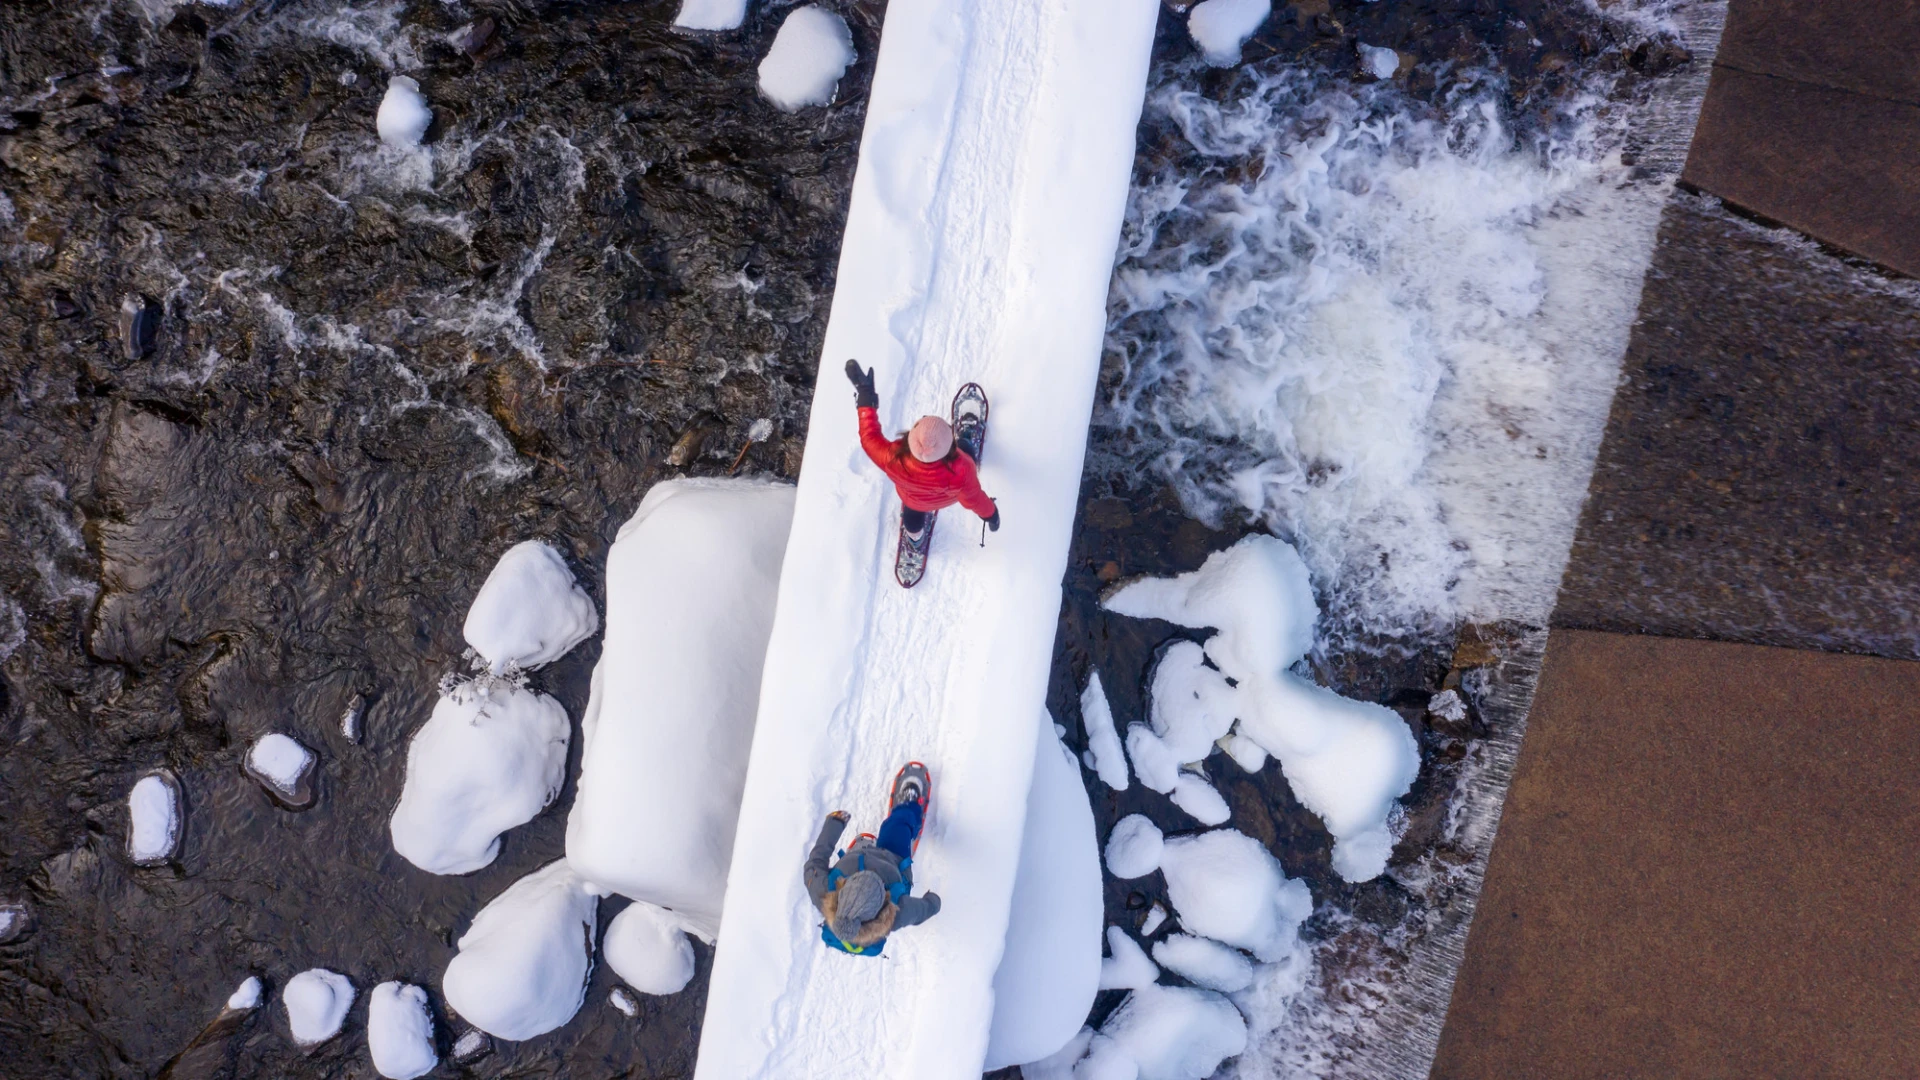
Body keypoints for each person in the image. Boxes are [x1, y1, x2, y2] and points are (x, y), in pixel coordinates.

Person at [844, 360, 1000, 537]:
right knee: (966, 448)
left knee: (913, 515)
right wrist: (992, 515)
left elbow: (869, 438)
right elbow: (974, 499)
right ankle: (966, 433)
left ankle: (914, 537)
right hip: (943, 500)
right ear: (949, 444)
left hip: (912, 499)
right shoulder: (963, 469)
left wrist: (865, 397)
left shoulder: (893, 458)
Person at [805, 763, 941, 956]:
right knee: (895, 827)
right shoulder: (896, 912)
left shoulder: (824, 892)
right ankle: (908, 809)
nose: (871, 874)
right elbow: (921, 911)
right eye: (880, 888)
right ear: (883, 906)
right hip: (893, 860)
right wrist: (933, 902)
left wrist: (834, 824)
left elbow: (814, 863)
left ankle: (863, 850)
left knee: (858, 852)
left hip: (859, 858)